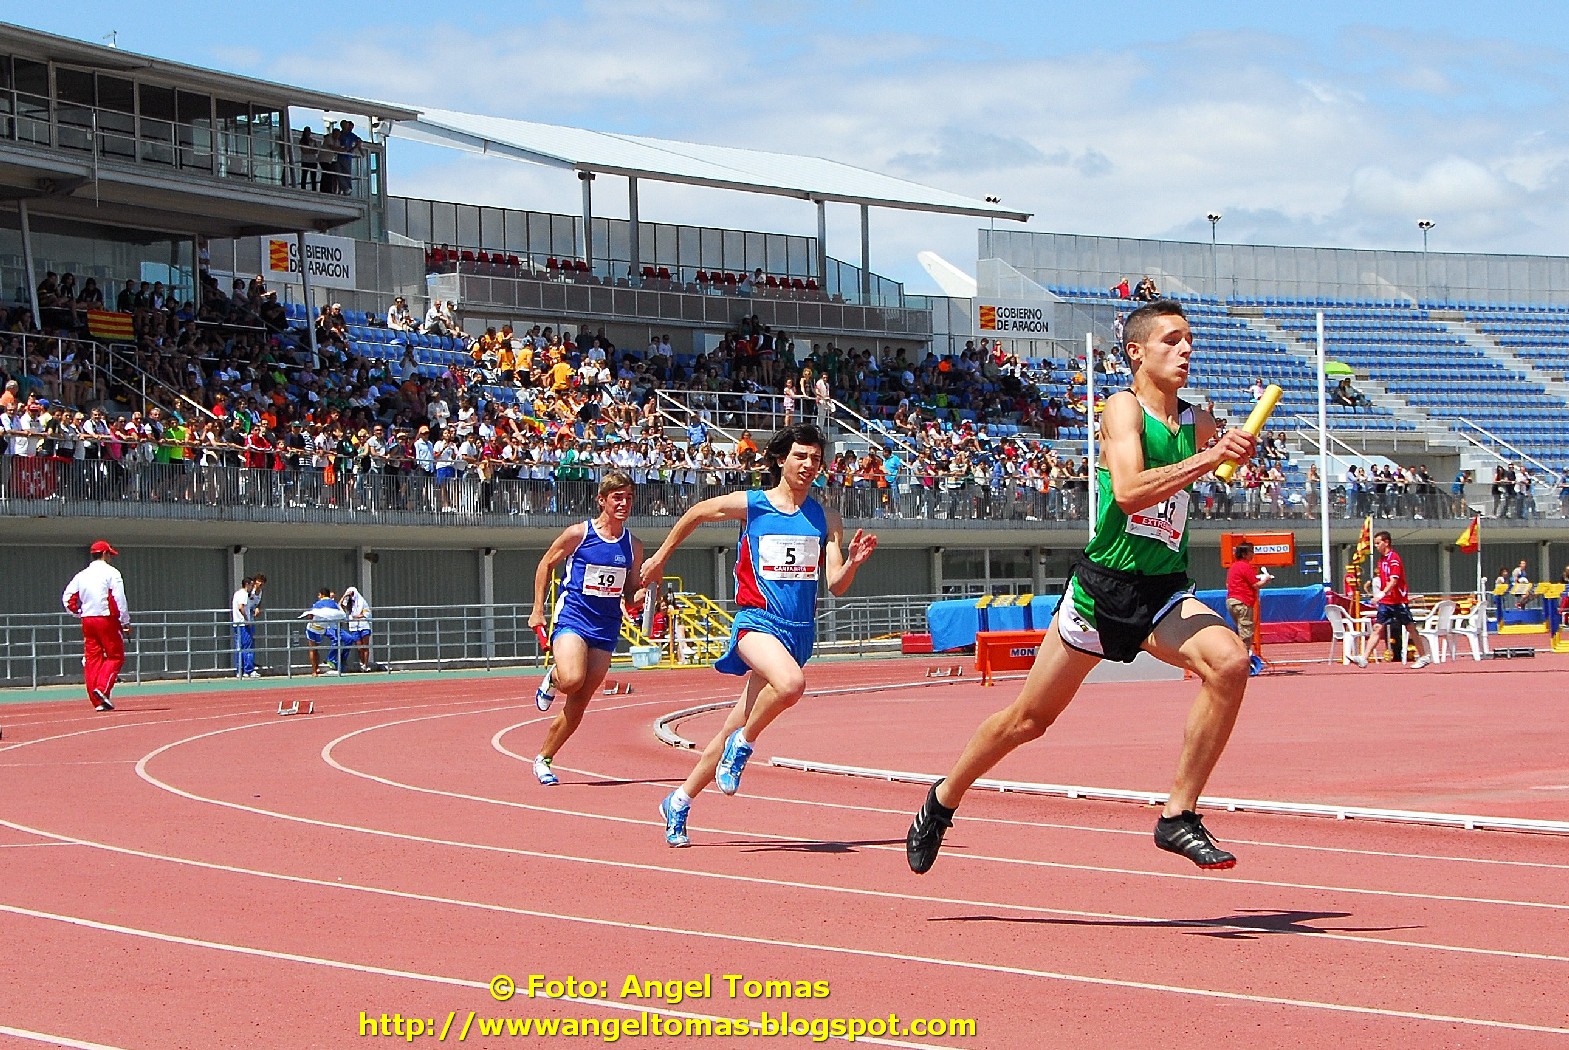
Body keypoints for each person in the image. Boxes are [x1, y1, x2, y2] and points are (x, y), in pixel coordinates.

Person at [905, 300, 1259, 876]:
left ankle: (1178, 815)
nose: (1187, 350)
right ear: (1136, 352)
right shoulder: (1122, 408)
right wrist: (1211, 457)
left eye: (1190, 340)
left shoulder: (1199, 422)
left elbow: (1205, 475)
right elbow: (1128, 491)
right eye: (1171, 340)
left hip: (1164, 589)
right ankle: (942, 799)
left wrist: (1227, 452)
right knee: (1028, 721)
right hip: (1104, 590)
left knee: (1229, 663)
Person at [642, 423, 877, 847]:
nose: (808, 465)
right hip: (757, 623)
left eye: (815, 459)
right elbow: (696, 512)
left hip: (798, 633)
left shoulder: (826, 518)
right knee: (791, 685)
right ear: (781, 460)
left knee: (731, 725)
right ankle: (745, 747)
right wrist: (660, 557)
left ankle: (677, 800)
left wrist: (854, 563)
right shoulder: (753, 506)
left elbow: (837, 584)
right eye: (800, 457)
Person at [527, 472, 647, 787]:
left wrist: (642, 595)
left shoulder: (633, 545)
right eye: (617, 497)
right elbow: (546, 564)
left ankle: (544, 759)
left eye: (629, 497)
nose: (624, 503)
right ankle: (551, 680)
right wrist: (537, 609)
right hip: (574, 617)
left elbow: (630, 591)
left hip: (606, 626)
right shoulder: (579, 533)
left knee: (579, 702)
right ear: (602, 500)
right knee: (571, 678)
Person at [62, 540, 132, 711]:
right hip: (106, 618)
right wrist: (125, 622)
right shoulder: (112, 573)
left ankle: (98, 701)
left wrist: (78, 612)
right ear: (105, 554)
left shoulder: (81, 575)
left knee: (93, 659)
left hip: (87, 619)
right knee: (116, 656)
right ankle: (102, 689)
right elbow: (119, 599)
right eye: (110, 555)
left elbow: (67, 598)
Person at [1354, 531, 1433, 668]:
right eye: (1375, 543)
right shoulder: (1381, 560)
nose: (1376, 546)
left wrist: (1382, 594)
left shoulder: (1393, 558)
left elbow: (1394, 580)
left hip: (1398, 601)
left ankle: (1423, 656)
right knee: (1377, 627)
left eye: (1378, 543)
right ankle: (1364, 658)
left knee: (1410, 627)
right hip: (1386, 603)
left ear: (1386, 542)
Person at [1224, 543, 1271, 674]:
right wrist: (1266, 579)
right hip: (1243, 602)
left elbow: (1229, 583)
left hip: (1232, 601)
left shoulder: (1233, 567)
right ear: (1245, 554)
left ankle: (1239, 659)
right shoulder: (1245, 566)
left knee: (1239, 630)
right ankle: (1242, 664)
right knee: (1246, 633)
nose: (1253, 554)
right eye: (1251, 552)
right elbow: (1256, 584)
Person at [300, 587, 347, 675]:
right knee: (315, 649)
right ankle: (316, 668)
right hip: (319, 629)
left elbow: (310, 616)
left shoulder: (318, 603)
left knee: (313, 649)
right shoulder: (334, 604)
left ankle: (315, 670)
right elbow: (342, 614)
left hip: (314, 628)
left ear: (321, 595)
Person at [231, 574, 265, 679]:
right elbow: (241, 607)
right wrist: (247, 619)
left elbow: (256, 603)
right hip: (243, 623)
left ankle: (240, 670)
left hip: (238, 623)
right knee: (247, 647)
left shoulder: (240, 593)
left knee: (240, 647)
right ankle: (248, 670)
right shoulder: (244, 594)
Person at [340, 585, 377, 671]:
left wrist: (358, 616)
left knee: (365, 646)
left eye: (352, 594)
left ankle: (366, 665)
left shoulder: (362, 602)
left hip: (364, 625)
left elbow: (367, 613)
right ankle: (362, 662)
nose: (351, 596)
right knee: (359, 647)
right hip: (354, 627)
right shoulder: (348, 603)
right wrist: (345, 596)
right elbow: (340, 606)